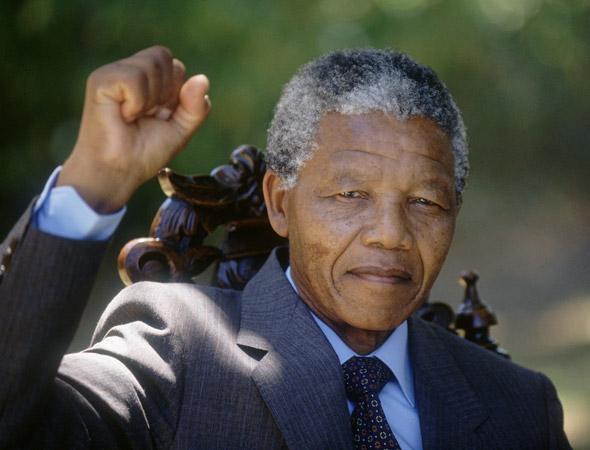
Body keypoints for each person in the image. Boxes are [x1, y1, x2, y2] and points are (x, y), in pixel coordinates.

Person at [0, 46, 570, 449]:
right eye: (351, 194)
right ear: (279, 203)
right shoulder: (176, 349)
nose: (391, 233)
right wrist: (94, 181)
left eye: (425, 202)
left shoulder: (522, 405)